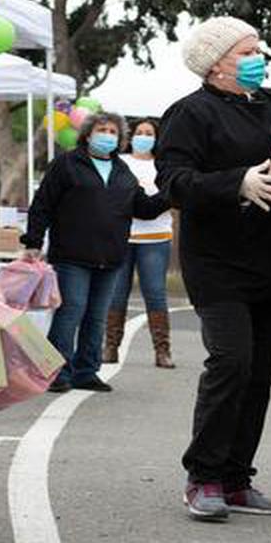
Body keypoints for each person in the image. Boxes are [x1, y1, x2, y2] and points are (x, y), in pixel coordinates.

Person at [155, 16, 271, 522]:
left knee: (260, 374)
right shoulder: (189, 114)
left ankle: (236, 479)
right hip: (219, 262)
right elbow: (174, 181)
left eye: (259, 48)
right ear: (216, 63)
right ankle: (202, 477)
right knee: (232, 362)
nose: (259, 58)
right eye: (248, 50)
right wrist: (238, 182)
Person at [21, 112, 169, 394]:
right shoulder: (67, 163)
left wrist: (171, 193)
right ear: (88, 134)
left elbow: (144, 209)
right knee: (71, 311)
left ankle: (86, 371)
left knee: (97, 316)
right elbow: (42, 204)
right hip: (71, 255)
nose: (108, 136)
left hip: (111, 256)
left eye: (113, 131)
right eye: (102, 129)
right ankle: (57, 372)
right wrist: (33, 241)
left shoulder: (123, 172)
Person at [104, 118, 176, 369]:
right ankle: (110, 346)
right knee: (116, 293)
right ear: (131, 136)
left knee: (155, 293)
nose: (144, 136)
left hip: (155, 237)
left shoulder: (164, 165)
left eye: (149, 133)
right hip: (121, 237)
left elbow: (172, 194)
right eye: (140, 132)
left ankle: (162, 350)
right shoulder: (119, 163)